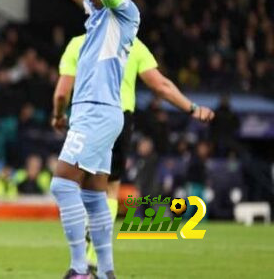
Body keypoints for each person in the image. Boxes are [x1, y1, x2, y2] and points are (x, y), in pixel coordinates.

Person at [54, 31, 215, 272]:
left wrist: (58, 115)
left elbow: (61, 92)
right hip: (119, 118)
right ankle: (95, 259)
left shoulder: (78, 44)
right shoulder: (133, 45)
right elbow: (161, 85)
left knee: (73, 185)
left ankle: (82, 258)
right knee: (109, 189)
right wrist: (191, 108)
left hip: (85, 117)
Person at [49, 0, 137, 279]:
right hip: (95, 111)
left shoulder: (124, 11)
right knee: (94, 196)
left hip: (97, 110)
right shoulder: (98, 12)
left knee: (61, 184)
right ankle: (106, 272)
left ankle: (78, 269)